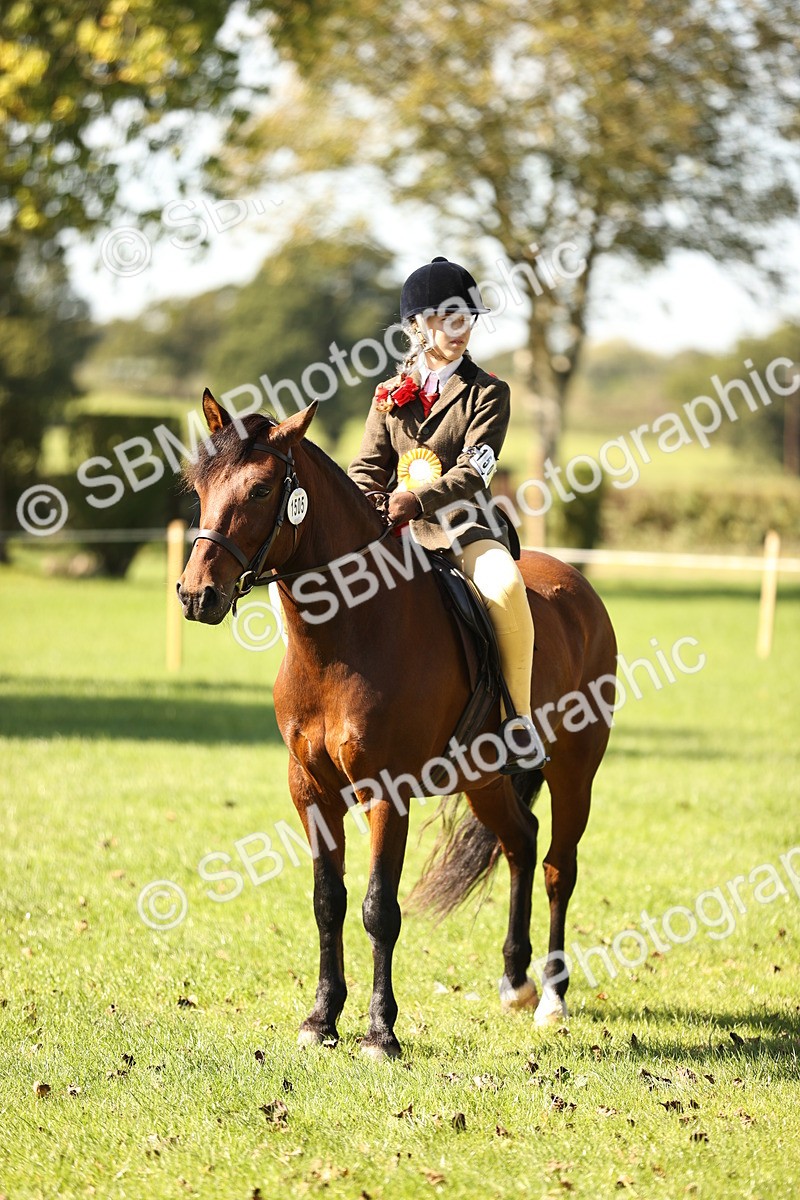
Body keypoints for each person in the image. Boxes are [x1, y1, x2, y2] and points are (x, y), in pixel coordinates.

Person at [348, 256, 546, 773]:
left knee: (505, 588)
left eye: (466, 318)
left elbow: (474, 470)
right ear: (417, 325)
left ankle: (517, 721)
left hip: (463, 530)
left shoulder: (488, 392)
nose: (459, 329)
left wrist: (417, 499)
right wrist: (363, 498)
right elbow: (368, 465)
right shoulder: (390, 395)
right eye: (445, 317)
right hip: (396, 532)